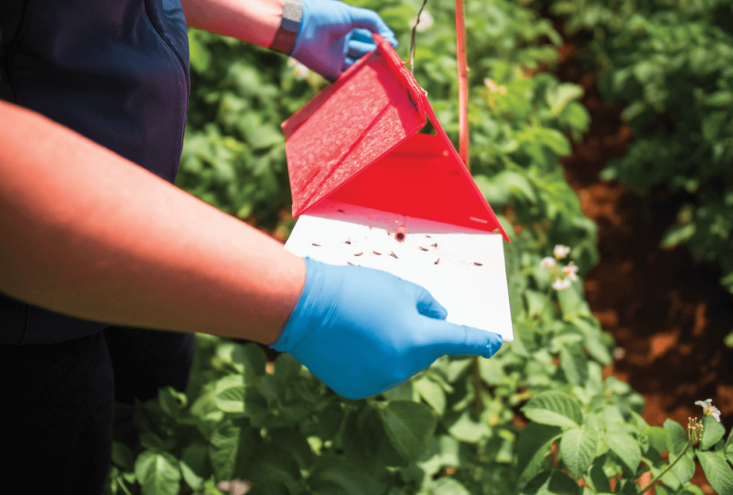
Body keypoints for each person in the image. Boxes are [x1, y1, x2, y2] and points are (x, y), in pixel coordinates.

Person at [0, 0, 503, 493]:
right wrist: (308, 306)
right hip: (26, 316)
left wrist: (279, 21)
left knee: (158, 388)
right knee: (67, 443)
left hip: (142, 206)